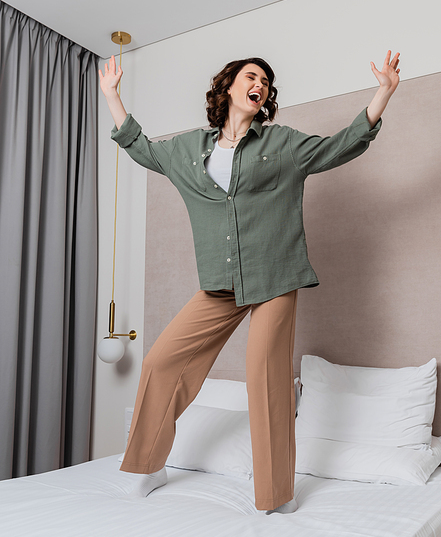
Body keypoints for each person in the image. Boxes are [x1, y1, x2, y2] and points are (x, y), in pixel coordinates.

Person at [99, 51, 400, 513]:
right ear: (229, 86)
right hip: (220, 280)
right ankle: (148, 465)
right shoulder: (188, 149)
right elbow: (143, 148)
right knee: (162, 362)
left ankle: (276, 494)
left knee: (265, 379)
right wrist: (112, 96)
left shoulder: (281, 144)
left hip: (276, 275)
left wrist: (383, 93)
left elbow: (340, 146)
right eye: (251, 76)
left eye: (266, 81)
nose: (259, 84)